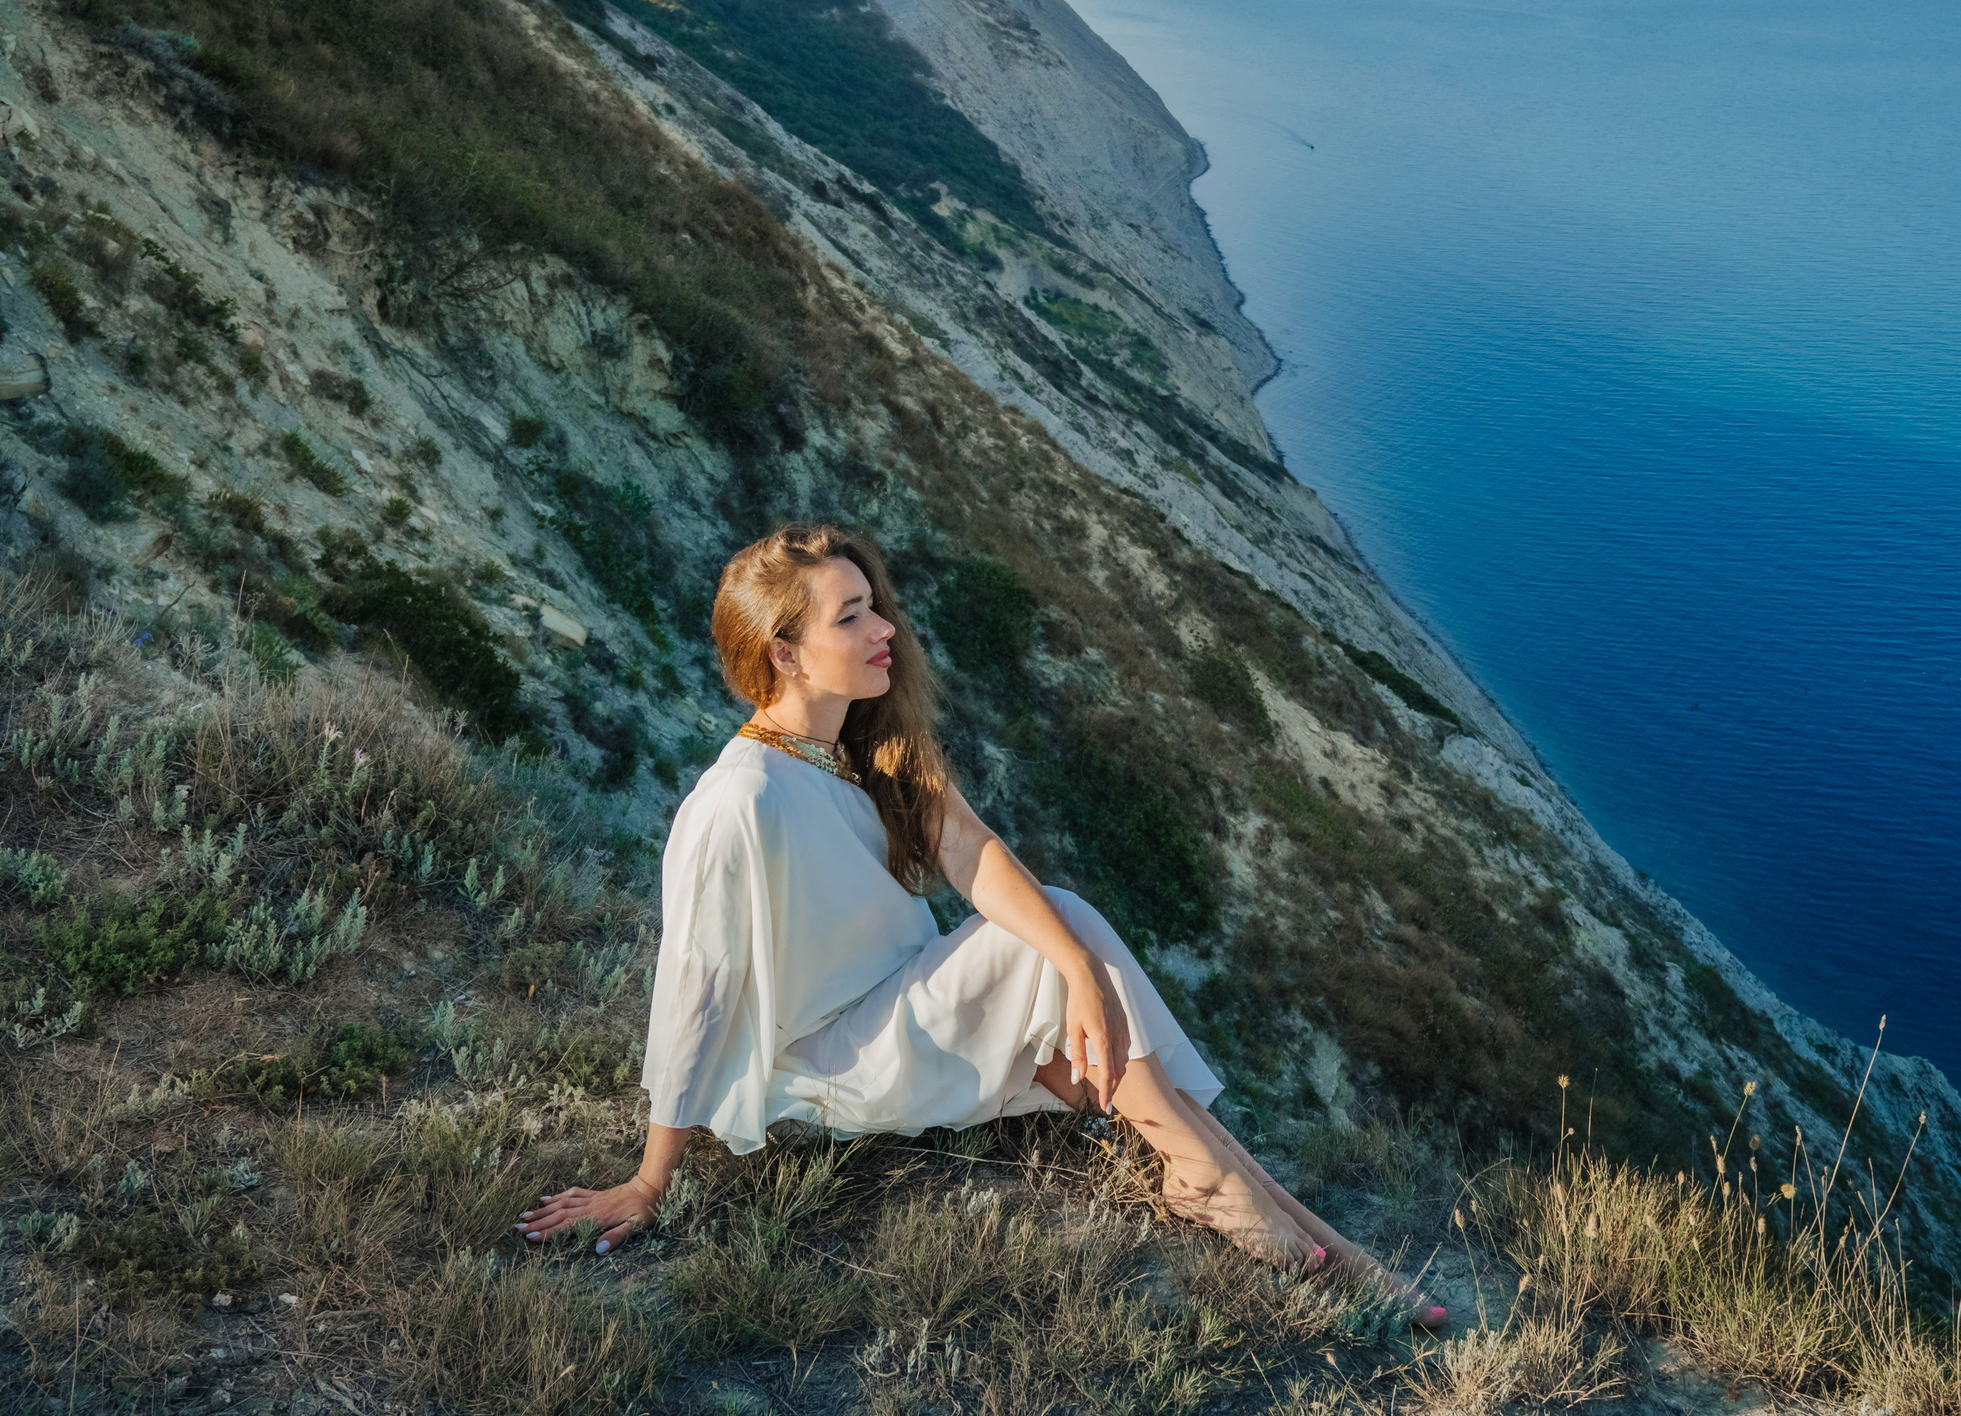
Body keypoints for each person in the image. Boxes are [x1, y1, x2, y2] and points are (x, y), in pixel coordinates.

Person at [516, 522, 1443, 1326]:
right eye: (851, 617)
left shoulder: (856, 745)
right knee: (1069, 954)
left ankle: (1318, 1243)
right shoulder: (741, 799)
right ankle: (1255, 1208)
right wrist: (649, 1179)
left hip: (908, 1012)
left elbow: (969, 850)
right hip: (835, 1062)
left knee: (1118, 1033)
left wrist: (1079, 970)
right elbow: (700, 985)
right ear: (784, 653)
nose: (884, 628)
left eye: (874, 606)